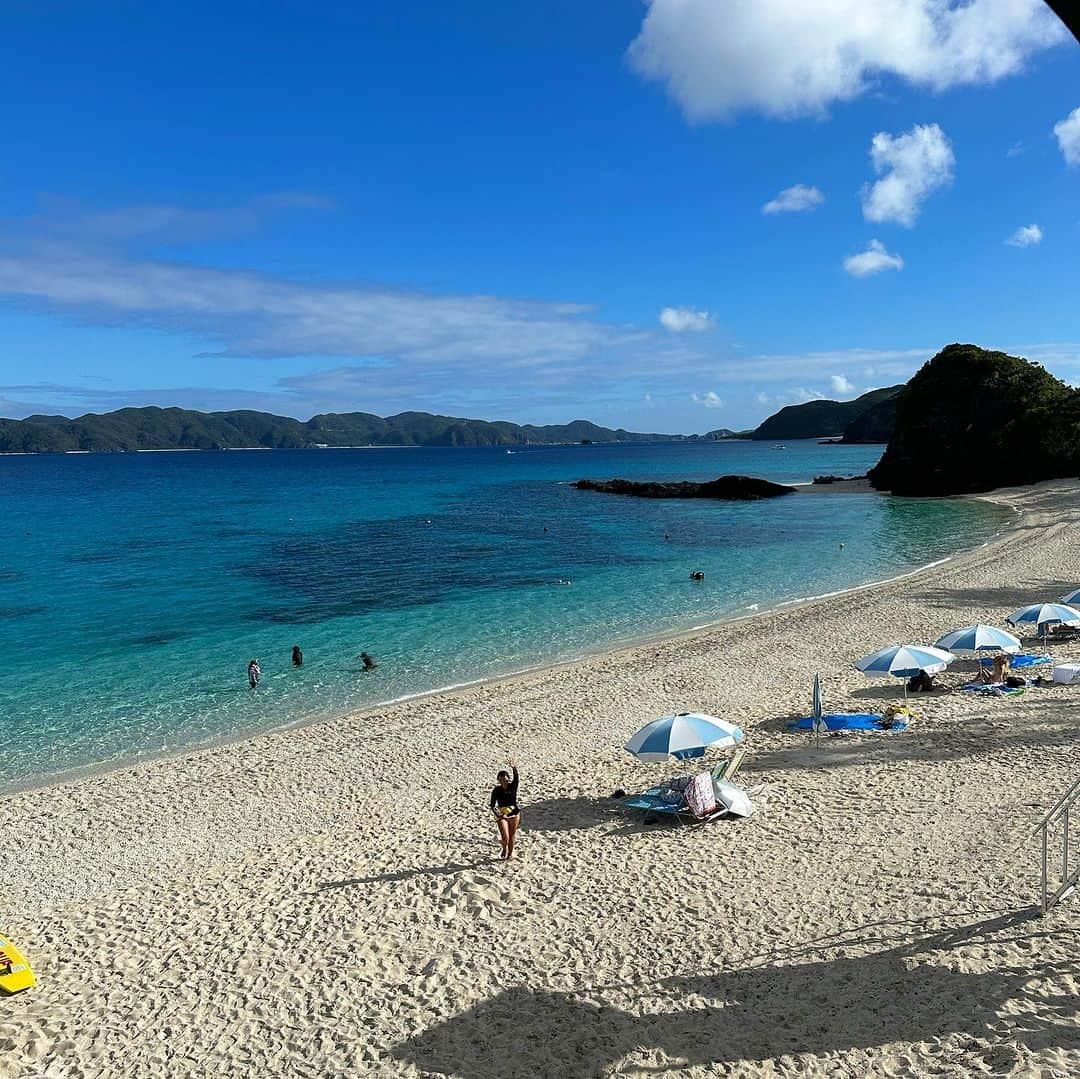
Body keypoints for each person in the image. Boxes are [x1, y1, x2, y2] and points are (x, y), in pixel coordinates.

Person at [489, 758, 521, 860]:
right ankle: (504, 848)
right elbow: (492, 805)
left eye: (505, 778)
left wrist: (514, 768)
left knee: (512, 835)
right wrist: (499, 814)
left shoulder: (513, 786)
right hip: (501, 814)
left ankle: (510, 853)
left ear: (508, 779)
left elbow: (517, 778)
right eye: (501, 779)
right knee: (505, 837)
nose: (503, 780)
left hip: (514, 813)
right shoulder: (496, 790)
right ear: (498, 779)